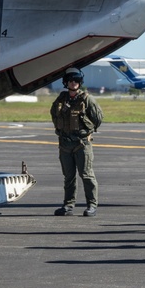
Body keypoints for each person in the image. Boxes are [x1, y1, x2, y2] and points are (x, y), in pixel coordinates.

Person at [50, 67, 104, 217]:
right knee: (69, 177)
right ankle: (68, 205)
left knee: (86, 175)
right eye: (70, 81)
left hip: (81, 144)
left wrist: (86, 131)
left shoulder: (87, 99)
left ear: (80, 82)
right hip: (65, 144)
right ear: (66, 83)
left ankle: (92, 205)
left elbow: (98, 118)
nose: (73, 83)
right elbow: (54, 116)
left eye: (76, 80)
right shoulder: (60, 99)